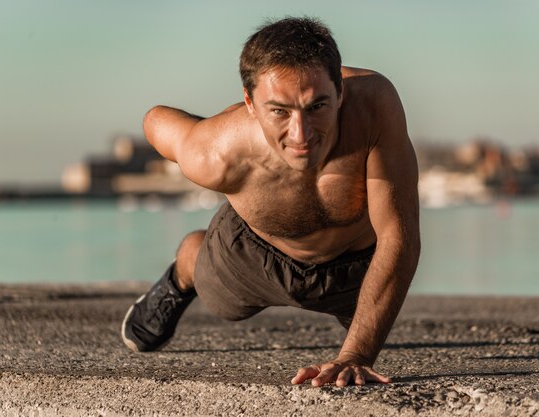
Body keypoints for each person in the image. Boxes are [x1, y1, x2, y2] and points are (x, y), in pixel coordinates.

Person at [121, 17, 420, 388]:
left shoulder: (375, 107)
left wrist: (354, 355)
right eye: (279, 110)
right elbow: (155, 120)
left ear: (340, 92)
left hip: (355, 267)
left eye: (317, 107)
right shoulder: (215, 152)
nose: (302, 135)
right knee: (222, 303)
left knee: (376, 318)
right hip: (251, 256)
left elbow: (398, 236)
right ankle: (184, 269)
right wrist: (212, 128)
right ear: (250, 101)